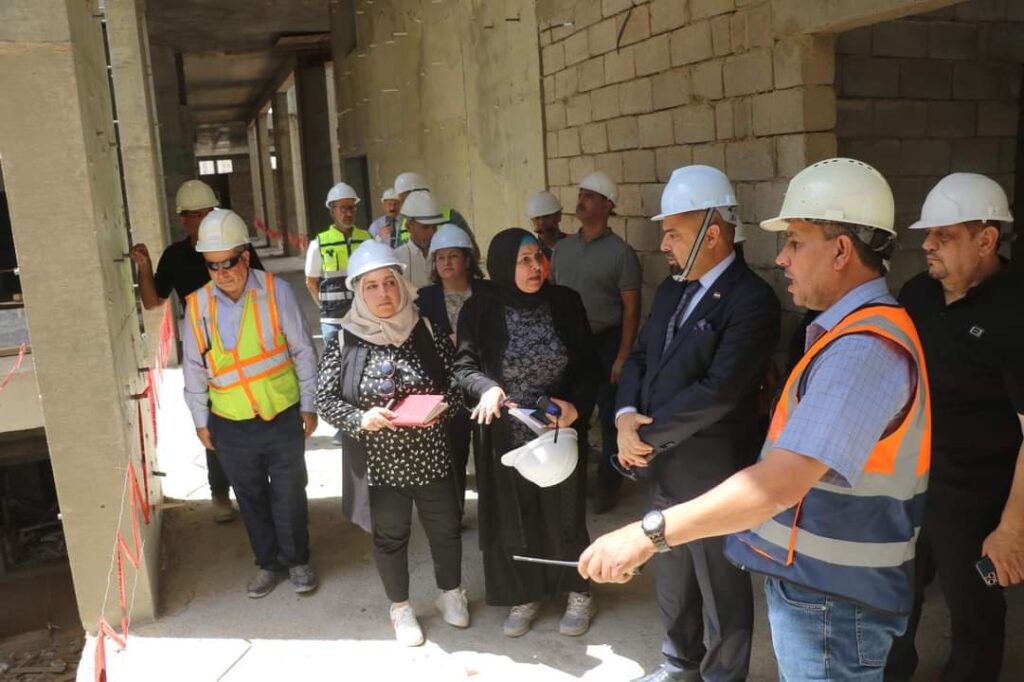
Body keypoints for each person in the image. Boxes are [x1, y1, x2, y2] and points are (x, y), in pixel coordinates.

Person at [578, 158, 931, 682]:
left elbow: (777, 484)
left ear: (841, 250)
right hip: (823, 587)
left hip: (834, 601)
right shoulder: (845, 335)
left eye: (795, 241)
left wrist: (647, 534)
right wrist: (627, 419)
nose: (781, 257)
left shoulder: (861, 350)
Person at [615, 166, 780, 682]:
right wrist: (623, 416)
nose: (663, 244)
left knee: (720, 584)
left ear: (712, 234)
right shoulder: (672, 290)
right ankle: (679, 663)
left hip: (713, 471)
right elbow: (640, 357)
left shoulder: (752, 300)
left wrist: (644, 437)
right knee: (673, 574)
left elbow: (719, 391)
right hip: (664, 463)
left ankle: (724, 675)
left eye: (674, 233)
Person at [886, 173, 1024, 682]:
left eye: (943, 235)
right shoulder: (916, 295)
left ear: (986, 240)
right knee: (895, 594)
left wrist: (1011, 529)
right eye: (928, 234)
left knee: (974, 611)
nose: (927, 244)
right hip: (909, 481)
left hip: (977, 495)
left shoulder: (1015, 311)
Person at [315, 241, 468, 647]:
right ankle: (400, 608)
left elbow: (456, 384)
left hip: (431, 456)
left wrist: (442, 408)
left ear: (401, 285)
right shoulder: (345, 340)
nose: (383, 293)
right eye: (371, 286)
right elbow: (324, 399)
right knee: (390, 536)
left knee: (446, 529)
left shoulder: (426, 329)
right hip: (381, 466)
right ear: (358, 292)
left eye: (389, 282)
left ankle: (451, 593)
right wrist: (358, 419)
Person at [454, 228, 600, 638]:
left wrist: (575, 407)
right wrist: (487, 388)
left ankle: (578, 590)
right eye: (524, 261)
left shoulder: (565, 303)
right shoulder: (479, 309)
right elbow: (463, 367)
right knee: (515, 516)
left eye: (539, 257)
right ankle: (525, 594)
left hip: (557, 429)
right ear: (504, 265)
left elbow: (589, 366)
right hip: (506, 435)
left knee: (565, 513)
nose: (536, 267)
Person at [182, 209, 319, 599]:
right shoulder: (198, 305)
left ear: (245, 256)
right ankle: (268, 563)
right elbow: (193, 368)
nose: (221, 273)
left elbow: (303, 351)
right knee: (250, 496)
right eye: (212, 265)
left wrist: (309, 404)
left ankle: (297, 560)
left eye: (227, 263)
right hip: (229, 420)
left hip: (281, 413)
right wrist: (200, 420)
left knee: (289, 492)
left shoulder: (277, 292)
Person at [129, 178, 263, 524]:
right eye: (198, 215)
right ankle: (220, 493)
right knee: (214, 420)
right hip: (204, 350)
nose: (206, 220)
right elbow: (153, 301)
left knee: (255, 411)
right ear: (183, 219)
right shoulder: (175, 257)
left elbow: (262, 291)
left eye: (209, 212)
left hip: (246, 342)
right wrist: (144, 267)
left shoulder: (237, 247)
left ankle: (259, 490)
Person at [551, 171, 642, 513]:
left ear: (607, 205)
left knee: (609, 418)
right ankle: (570, 484)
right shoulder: (562, 250)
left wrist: (623, 355)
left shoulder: (621, 253)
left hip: (607, 343)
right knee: (570, 413)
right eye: (581, 193)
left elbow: (632, 309)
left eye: (589, 195)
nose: (581, 200)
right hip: (570, 344)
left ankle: (608, 485)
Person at [415, 224, 485, 516]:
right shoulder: (425, 298)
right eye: (440, 257)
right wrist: (445, 341)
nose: (446, 262)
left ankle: (492, 512)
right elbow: (418, 341)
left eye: (453, 256)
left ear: (467, 259)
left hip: (483, 382)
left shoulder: (486, 293)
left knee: (487, 452)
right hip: (446, 385)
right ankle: (454, 513)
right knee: (452, 452)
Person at [304, 182, 372, 348]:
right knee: (336, 362)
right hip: (333, 322)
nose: (348, 213)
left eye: (352, 208)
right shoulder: (319, 243)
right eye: (343, 208)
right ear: (332, 211)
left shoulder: (367, 239)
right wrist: (324, 307)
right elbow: (311, 282)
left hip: (364, 318)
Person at [393, 171, 474, 243]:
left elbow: (472, 248)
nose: (402, 205)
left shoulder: (452, 216)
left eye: (403, 200)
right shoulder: (405, 222)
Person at [395, 190, 444, 288]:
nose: (432, 233)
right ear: (409, 227)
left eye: (434, 227)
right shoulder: (397, 258)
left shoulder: (444, 255)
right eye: (425, 227)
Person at [525, 190, 567, 260]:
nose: (542, 222)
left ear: (558, 216)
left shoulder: (574, 244)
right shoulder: (530, 253)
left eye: (546, 217)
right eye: (537, 218)